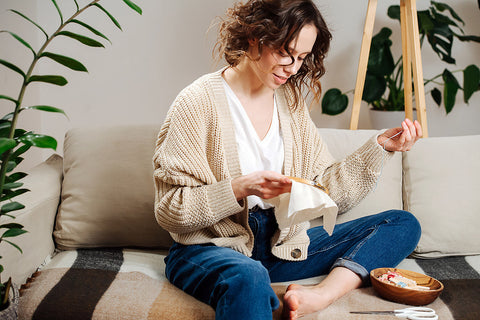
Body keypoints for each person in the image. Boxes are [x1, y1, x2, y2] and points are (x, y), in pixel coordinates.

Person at [153, 0, 423, 319]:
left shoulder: (290, 104)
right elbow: (170, 210)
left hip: (281, 243)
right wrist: (239, 188)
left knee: (402, 223)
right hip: (212, 247)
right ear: (255, 36)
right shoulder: (196, 103)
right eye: (286, 53)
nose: (293, 68)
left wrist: (379, 146)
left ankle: (320, 295)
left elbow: (326, 191)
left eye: (302, 58)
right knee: (249, 276)